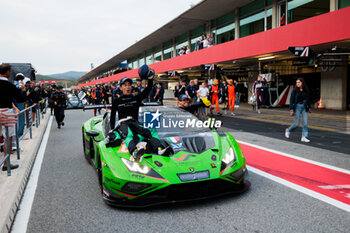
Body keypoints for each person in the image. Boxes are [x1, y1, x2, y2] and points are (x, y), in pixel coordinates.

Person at [110, 65, 171, 162]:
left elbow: (148, 89)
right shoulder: (116, 101)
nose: (128, 87)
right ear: (121, 87)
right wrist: (111, 129)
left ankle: (159, 149)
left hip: (135, 122)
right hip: (123, 123)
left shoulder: (136, 98)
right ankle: (134, 152)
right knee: (129, 133)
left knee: (151, 130)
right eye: (125, 85)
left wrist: (150, 78)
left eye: (129, 85)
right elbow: (112, 116)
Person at [0, 63, 26, 171]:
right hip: (7, 113)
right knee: (8, 138)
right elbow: (20, 98)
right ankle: (6, 164)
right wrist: (23, 89)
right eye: (10, 71)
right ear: (7, 72)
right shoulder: (10, 85)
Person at [285, 78, 311, 142]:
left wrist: (309, 107)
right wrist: (291, 109)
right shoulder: (294, 90)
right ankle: (288, 130)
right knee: (296, 124)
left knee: (305, 123)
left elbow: (308, 99)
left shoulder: (306, 90)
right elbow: (291, 100)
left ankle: (304, 137)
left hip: (304, 107)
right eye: (296, 82)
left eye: (298, 82)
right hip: (297, 107)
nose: (297, 84)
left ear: (302, 83)